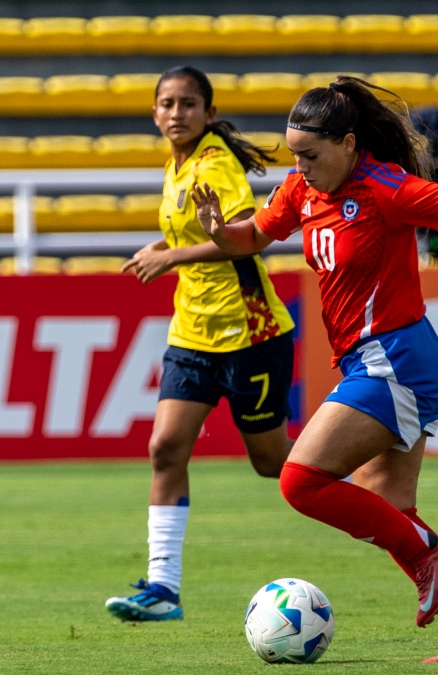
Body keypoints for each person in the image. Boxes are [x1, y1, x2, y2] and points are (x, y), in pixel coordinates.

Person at [190, 75, 438, 662]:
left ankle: (433, 553)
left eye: (311, 155)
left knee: (300, 480)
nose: (301, 166)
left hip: (398, 361)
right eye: (293, 155)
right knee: (392, 510)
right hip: (371, 361)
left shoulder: (385, 187)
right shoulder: (300, 191)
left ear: (348, 142)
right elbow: (253, 238)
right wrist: (219, 231)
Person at [105, 66, 296, 623]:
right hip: (192, 333)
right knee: (166, 448)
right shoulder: (178, 163)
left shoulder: (216, 163)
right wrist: (165, 244)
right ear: (155, 111)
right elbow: (196, 231)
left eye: (189, 104)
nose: (176, 113)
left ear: (209, 113)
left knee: (272, 465)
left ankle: (373, 501)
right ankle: (163, 588)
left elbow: (241, 240)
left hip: (248, 331)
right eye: (167, 103)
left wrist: (168, 257)